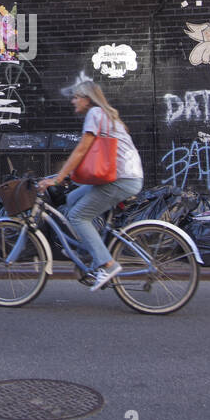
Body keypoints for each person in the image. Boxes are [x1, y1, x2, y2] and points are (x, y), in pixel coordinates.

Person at [39, 81, 144, 291]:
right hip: (123, 177)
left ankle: (107, 263)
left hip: (121, 180)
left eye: (77, 96)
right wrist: (70, 176)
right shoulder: (106, 115)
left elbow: (81, 150)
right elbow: (92, 155)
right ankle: (90, 250)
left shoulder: (95, 114)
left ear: (87, 99)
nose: (73, 100)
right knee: (72, 199)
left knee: (78, 216)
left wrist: (58, 179)